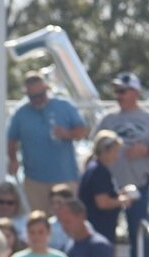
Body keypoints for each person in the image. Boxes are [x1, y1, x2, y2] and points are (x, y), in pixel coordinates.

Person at [98, 71, 149, 257]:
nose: (118, 95)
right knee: (105, 238)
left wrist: (146, 151)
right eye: (116, 91)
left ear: (135, 92)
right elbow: (94, 149)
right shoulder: (108, 119)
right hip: (109, 189)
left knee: (138, 237)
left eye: (122, 90)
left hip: (138, 187)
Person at [6, 70, 89, 210]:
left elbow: (83, 130)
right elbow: (11, 139)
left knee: (67, 220)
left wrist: (67, 134)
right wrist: (13, 159)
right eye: (33, 97)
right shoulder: (21, 112)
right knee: (39, 223)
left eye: (40, 95)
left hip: (65, 178)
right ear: (27, 95)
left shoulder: (64, 106)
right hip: (34, 180)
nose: (38, 99)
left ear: (47, 90)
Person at [53, 193, 116, 257]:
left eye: (67, 221)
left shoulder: (100, 245)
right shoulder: (67, 246)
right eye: (61, 222)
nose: (65, 226)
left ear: (82, 216)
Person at [79, 130, 125, 243]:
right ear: (106, 150)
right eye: (115, 151)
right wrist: (123, 200)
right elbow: (102, 203)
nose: (117, 155)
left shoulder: (95, 168)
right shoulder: (98, 171)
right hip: (99, 228)